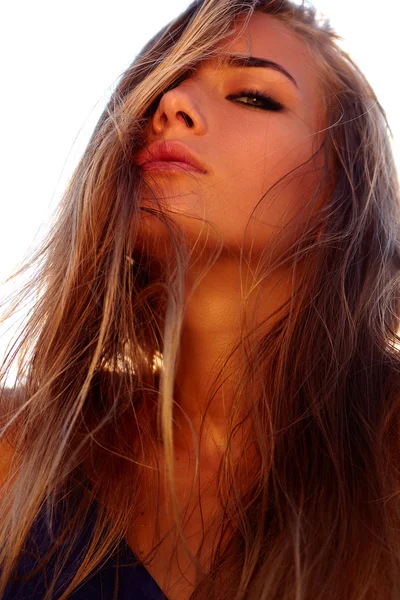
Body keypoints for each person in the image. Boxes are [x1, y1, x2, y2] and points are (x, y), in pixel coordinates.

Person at [1, 0, 400, 598]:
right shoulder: (18, 450)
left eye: (255, 97)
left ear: (343, 188)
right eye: (160, 86)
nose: (170, 107)